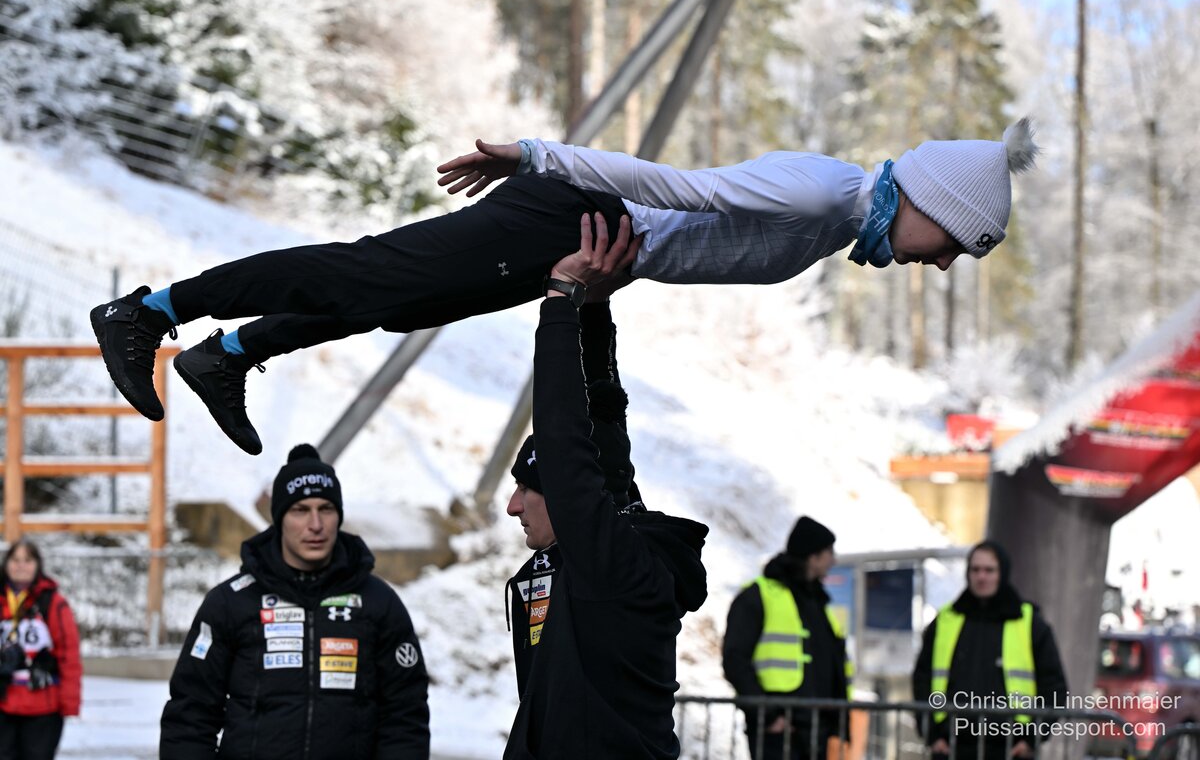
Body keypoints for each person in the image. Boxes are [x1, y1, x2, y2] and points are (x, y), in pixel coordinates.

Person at [90, 120, 1039, 454]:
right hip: (568, 213)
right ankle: (151, 311)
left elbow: (679, 235)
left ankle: (228, 354)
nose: (943, 264)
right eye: (955, 245)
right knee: (365, 274)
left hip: (580, 244)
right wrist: (537, 155)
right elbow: (672, 186)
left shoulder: (837, 220)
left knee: (396, 303)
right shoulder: (825, 193)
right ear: (930, 200)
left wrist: (607, 279)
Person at [502, 214, 709, 759]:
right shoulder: (606, 549)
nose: (513, 506)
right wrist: (594, 308)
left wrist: (560, 300)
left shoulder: (616, 565)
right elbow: (605, 424)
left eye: (527, 488)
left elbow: (569, 441)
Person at [160, 444, 430, 759]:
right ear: (280, 518)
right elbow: (190, 715)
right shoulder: (231, 603)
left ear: (338, 516)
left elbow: (405, 716)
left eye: (325, 509)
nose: (315, 524)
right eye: (300, 510)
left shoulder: (378, 603)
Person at [912, 541, 1068, 760]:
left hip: (1010, 747)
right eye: (975, 570)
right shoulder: (946, 620)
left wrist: (1031, 739)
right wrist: (932, 735)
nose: (981, 577)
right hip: (952, 745)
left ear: (1002, 573)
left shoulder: (1029, 623)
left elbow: (1054, 687)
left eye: (989, 570)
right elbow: (922, 680)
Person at [722, 516, 852, 760]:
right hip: (779, 732)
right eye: (829, 552)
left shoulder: (818, 602)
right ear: (813, 556)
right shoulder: (759, 596)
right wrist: (768, 716)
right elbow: (735, 659)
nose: (833, 560)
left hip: (817, 732)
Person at [0, 538, 82, 760]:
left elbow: (69, 654)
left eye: (27, 560)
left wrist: (70, 701)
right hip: (4, 701)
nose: (21, 566)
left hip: (42, 705)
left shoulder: (53, 603)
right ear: (6, 564)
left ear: (37, 565)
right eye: (15, 560)